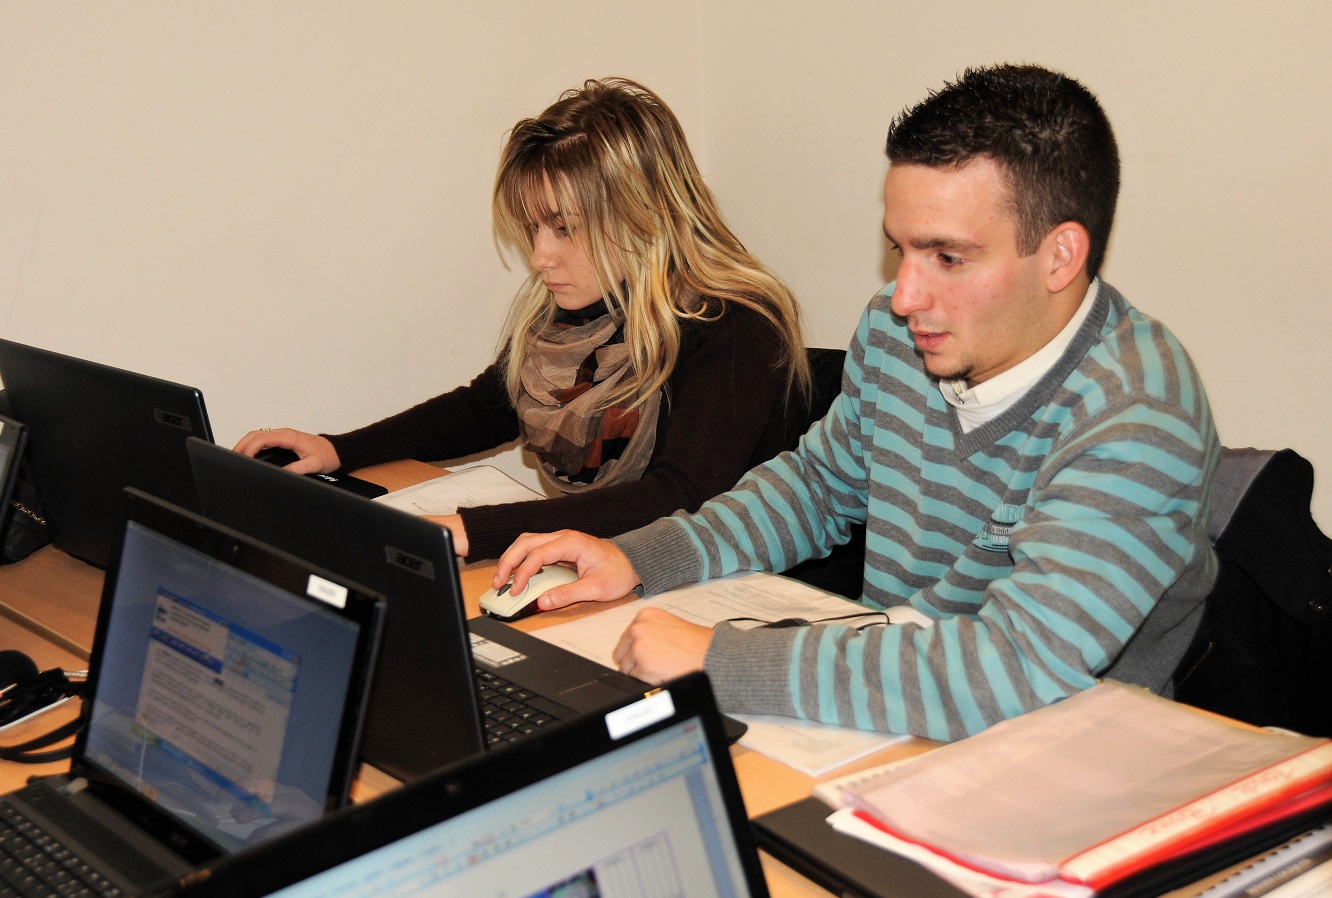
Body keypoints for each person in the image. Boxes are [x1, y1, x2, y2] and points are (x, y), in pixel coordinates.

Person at [491, 64, 1221, 742]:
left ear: (1061, 256)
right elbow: (816, 489)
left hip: (1063, 756)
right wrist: (639, 556)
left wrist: (723, 661)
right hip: (889, 718)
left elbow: (1013, 668)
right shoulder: (900, 336)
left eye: (948, 257)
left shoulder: (1139, 413)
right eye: (901, 249)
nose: (904, 296)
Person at [235, 78, 811, 560]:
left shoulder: (734, 324)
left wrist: (474, 530)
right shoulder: (579, 306)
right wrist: (338, 449)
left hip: (736, 582)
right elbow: (488, 407)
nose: (539, 257)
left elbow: (677, 496)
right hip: (613, 569)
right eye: (533, 227)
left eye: (564, 228)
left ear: (644, 215)